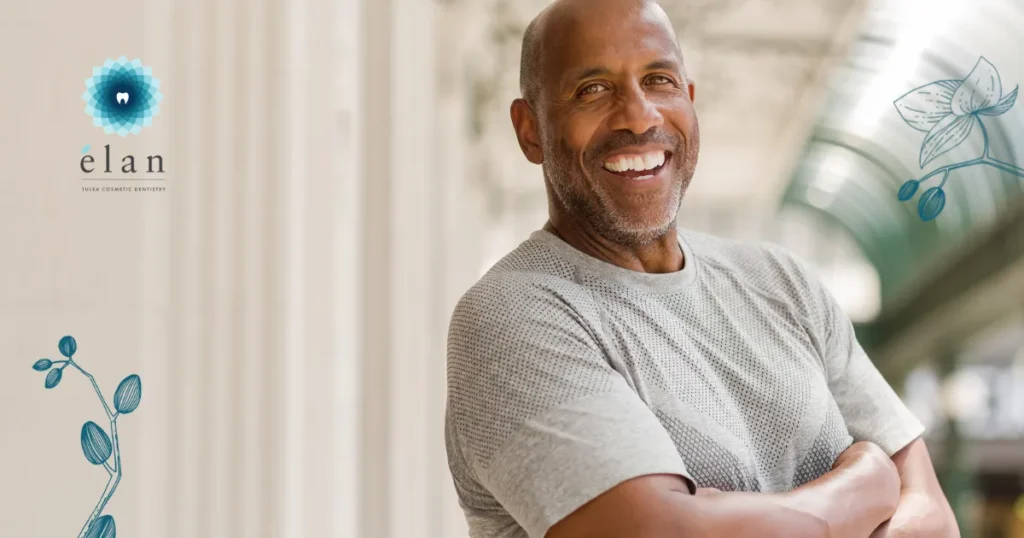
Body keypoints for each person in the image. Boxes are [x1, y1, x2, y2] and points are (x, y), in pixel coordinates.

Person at [443, 0, 958, 536]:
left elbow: (934, 521)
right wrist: (865, 484)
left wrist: (730, 517)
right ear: (530, 130)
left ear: (689, 99)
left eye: (659, 81)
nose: (639, 116)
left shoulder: (784, 283)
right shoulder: (511, 316)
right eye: (592, 89)